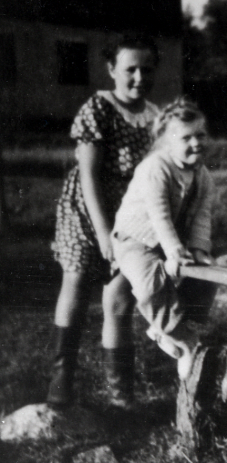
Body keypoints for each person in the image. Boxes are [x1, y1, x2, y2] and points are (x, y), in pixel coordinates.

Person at [49, 32, 161, 407]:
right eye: (131, 69)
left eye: (147, 70)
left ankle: (120, 396)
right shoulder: (98, 109)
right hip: (88, 210)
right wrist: (101, 232)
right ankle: (61, 384)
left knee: (119, 297)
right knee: (77, 284)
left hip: (131, 219)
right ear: (112, 69)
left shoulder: (158, 118)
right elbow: (88, 176)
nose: (139, 78)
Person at [111, 97, 216, 380]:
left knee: (206, 276)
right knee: (149, 287)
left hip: (172, 241)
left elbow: (202, 216)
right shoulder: (156, 167)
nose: (196, 143)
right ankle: (184, 341)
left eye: (200, 135)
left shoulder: (203, 175)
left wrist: (198, 248)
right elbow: (159, 214)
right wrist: (173, 250)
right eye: (186, 138)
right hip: (136, 238)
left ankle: (178, 327)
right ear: (166, 142)